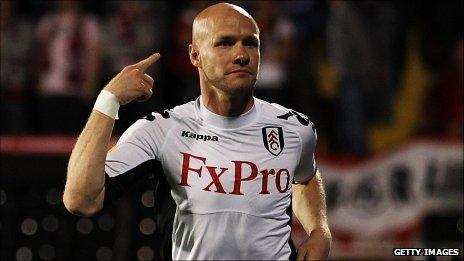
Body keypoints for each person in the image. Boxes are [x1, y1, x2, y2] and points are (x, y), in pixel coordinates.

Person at [63, 3, 331, 260]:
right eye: (225, 43)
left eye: (251, 43)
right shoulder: (162, 130)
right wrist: (108, 100)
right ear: (195, 55)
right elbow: (81, 201)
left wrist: (319, 230)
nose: (242, 54)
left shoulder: (295, 128)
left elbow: (305, 178)